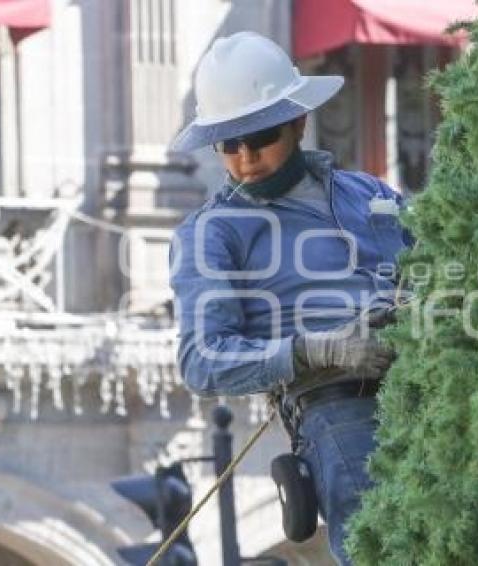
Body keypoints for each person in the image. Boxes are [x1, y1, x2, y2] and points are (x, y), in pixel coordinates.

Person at [168, 32, 413, 565]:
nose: (245, 157)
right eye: (228, 144)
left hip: (438, 386)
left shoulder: (370, 194)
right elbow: (201, 361)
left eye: (260, 136)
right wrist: (315, 350)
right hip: (343, 409)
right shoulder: (212, 234)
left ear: (299, 120)